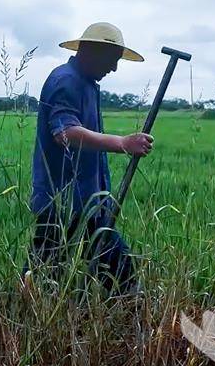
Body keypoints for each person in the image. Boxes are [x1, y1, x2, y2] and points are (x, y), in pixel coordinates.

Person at [27, 22, 152, 292]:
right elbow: (67, 133)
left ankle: (119, 309)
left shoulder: (85, 82)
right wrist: (122, 143)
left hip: (85, 198)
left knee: (103, 258)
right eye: (111, 60)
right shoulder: (66, 81)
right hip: (62, 199)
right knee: (47, 266)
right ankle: (27, 313)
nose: (114, 69)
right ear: (91, 51)